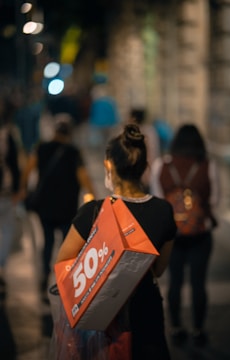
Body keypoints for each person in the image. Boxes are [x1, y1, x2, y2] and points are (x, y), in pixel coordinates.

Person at [54, 123, 177, 359]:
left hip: (101, 317)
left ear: (109, 165)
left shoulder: (93, 212)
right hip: (146, 311)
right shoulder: (163, 211)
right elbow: (159, 269)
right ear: (144, 167)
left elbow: (64, 265)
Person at [150, 123, 220, 347]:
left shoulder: (162, 164)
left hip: (173, 234)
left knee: (175, 281)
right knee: (199, 283)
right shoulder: (208, 165)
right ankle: (198, 329)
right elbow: (215, 200)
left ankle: (176, 326)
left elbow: (159, 199)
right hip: (200, 233)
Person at [20, 113, 96, 298]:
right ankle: (65, 282)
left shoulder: (41, 148)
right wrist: (93, 196)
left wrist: (22, 189)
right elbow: (83, 177)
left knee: (46, 243)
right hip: (67, 207)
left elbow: (28, 169)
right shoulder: (73, 152)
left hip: (45, 206)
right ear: (69, 132)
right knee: (67, 245)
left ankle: (44, 277)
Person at [0, 103, 21, 289]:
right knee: (6, 230)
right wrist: (17, 189)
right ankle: (1, 267)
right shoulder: (7, 135)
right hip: (4, 190)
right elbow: (14, 162)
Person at [128, 108, 161, 191]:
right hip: (147, 174)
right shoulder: (151, 131)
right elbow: (154, 154)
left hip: (132, 176)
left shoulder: (129, 133)